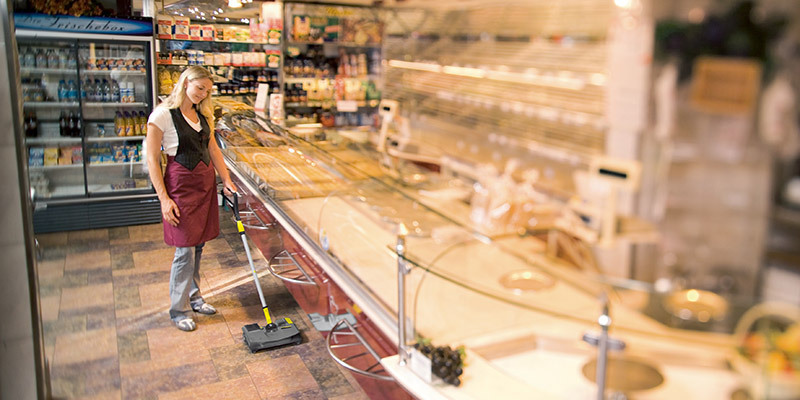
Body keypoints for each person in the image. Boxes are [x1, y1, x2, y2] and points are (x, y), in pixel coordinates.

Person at [145, 66, 237, 332]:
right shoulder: (162, 115)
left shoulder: (203, 116)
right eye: (199, 88)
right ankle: (179, 309)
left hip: (204, 185)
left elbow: (214, 150)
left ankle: (195, 298)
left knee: (198, 246)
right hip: (180, 186)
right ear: (185, 83)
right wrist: (164, 199)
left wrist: (226, 179)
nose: (202, 94)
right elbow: (152, 159)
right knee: (184, 249)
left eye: (207, 91)